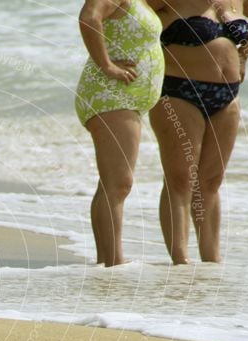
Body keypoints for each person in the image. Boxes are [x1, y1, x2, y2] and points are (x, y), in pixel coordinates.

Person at [148, 0, 248, 263]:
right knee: (181, 178)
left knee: (211, 181)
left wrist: (243, 54)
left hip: (227, 96)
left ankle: (211, 261)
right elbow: (122, 13)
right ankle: (180, 263)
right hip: (177, 90)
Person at [76, 0, 165, 266]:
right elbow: (89, 18)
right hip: (111, 96)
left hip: (128, 99)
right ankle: (113, 262)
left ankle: (107, 261)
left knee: (114, 184)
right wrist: (106, 65)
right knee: (118, 183)